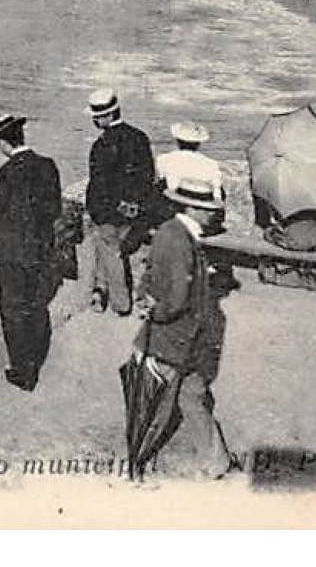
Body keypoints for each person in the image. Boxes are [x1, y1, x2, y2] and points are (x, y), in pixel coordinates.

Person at [136, 178, 232, 479]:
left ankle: (217, 461)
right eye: (205, 209)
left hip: (183, 337)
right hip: (175, 338)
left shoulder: (173, 233)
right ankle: (137, 462)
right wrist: (158, 312)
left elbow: (153, 277)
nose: (212, 214)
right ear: (190, 208)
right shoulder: (179, 240)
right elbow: (176, 298)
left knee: (191, 396)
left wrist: (150, 304)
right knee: (160, 404)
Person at [0, 115, 63, 391]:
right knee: (36, 305)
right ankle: (35, 359)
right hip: (40, 249)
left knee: (13, 310)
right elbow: (54, 210)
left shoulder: (6, 173)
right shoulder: (47, 166)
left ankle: (23, 371)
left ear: (4, 143)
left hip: (12, 254)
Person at [84, 88, 158, 317]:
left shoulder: (101, 145)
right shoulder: (140, 137)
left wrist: (98, 210)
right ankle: (100, 291)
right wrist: (136, 204)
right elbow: (148, 176)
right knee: (111, 248)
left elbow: (99, 184)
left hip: (110, 211)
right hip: (138, 211)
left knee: (109, 248)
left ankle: (120, 303)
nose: (95, 121)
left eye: (96, 117)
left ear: (106, 116)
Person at [154, 122, 223, 202]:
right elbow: (217, 188)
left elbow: (163, 181)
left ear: (177, 141)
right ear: (198, 143)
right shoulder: (211, 163)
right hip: (206, 199)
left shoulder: (165, 158)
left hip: (177, 199)